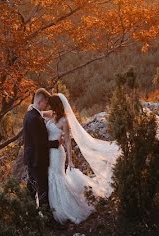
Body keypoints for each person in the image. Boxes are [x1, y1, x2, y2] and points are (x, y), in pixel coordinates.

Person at [43, 93, 121, 224]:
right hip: (50, 152)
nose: (49, 106)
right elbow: (39, 112)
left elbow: (67, 141)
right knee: (51, 176)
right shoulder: (52, 115)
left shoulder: (64, 121)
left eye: (51, 104)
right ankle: (55, 207)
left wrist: (71, 160)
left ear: (56, 106)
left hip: (58, 153)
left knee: (57, 178)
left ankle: (64, 209)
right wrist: (32, 108)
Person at [21, 88, 60, 209]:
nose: (46, 106)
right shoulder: (34, 118)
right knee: (43, 189)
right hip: (37, 160)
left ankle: (30, 216)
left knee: (31, 189)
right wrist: (56, 143)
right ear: (40, 102)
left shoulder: (30, 114)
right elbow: (40, 143)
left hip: (31, 158)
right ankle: (47, 221)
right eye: (46, 103)